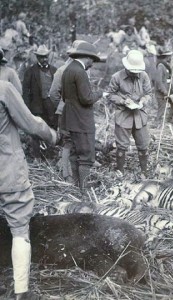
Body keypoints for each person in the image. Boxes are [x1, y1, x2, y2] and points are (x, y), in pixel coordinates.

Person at [0, 80, 58, 300]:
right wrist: (52, 135)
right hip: (7, 169)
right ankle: (21, 292)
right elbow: (31, 125)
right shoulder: (3, 89)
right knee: (19, 229)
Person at [60, 41, 103, 190]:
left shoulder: (68, 69)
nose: (93, 63)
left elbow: (64, 95)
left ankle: (77, 184)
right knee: (85, 155)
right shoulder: (80, 72)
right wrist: (101, 93)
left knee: (74, 153)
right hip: (82, 120)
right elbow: (87, 99)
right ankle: (84, 189)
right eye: (93, 59)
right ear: (87, 57)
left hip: (70, 118)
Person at [106, 49, 152, 178]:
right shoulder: (117, 77)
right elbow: (110, 94)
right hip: (123, 115)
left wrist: (144, 100)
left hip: (139, 115)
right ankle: (120, 171)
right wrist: (122, 101)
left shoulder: (144, 76)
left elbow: (149, 94)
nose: (134, 73)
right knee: (121, 147)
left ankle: (144, 172)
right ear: (126, 67)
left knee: (143, 146)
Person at [49, 40, 85, 183]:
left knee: (76, 143)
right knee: (68, 143)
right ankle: (67, 175)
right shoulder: (62, 70)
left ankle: (75, 174)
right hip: (67, 113)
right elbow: (53, 93)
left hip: (79, 114)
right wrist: (63, 107)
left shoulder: (81, 70)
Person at [22, 45, 57, 162]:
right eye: (41, 57)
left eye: (46, 57)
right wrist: (26, 109)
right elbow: (25, 92)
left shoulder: (54, 70)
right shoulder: (30, 71)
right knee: (36, 132)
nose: (44, 59)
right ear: (37, 57)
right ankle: (37, 157)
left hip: (51, 106)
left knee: (51, 129)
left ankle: (49, 155)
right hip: (36, 107)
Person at [154, 47, 173, 127]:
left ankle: (168, 119)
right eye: (170, 56)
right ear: (167, 56)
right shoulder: (161, 66)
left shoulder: (167, 65)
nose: (171, 58)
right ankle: (157, 123)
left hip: (169, 89)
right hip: (162, 91)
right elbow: (159, 81)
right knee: (162, 107)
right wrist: (164, 91)